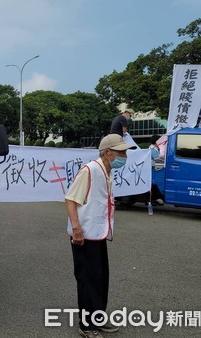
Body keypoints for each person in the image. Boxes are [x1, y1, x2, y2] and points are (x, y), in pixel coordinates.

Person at [65, 134, 136, 337]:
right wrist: (77, 229)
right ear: (107, 153)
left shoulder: (107, 171)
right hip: (84, 235)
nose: (125, 156)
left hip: (97, 234)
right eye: (121, 152)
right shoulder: (90, 170)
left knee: (101, 277)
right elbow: (70, 200)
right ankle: (87, 325)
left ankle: (98, 317)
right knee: (87, 279)